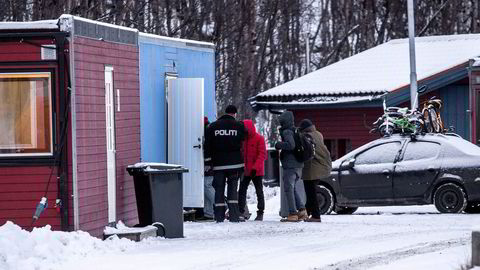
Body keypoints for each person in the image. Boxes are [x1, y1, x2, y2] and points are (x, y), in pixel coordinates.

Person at [205, 105, 246, 222]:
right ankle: (234, 216)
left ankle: (219, 216)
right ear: (235, 114)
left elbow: (207, 145)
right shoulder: (239, 126)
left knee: (219, 189)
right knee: (233, 189)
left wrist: (208, 161)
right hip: (235, 164)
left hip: (219, 164)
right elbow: (243, 140)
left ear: (225, 112)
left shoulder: (212, 126)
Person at [275, 111, 307, 222]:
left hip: (290, 164)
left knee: (288, 189)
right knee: (292, 188)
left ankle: (293, 214)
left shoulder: (287, 131)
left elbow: (291, 145)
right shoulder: (295, 130)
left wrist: (278, 145)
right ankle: (302, 210)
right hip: (298, 164)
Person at [298, 119, 332, 222]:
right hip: (321, 165)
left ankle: (316, 216)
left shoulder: (307, 137)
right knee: (310, 192)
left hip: (313, 167)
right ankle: (307, 213)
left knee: (311, 193)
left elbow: (307, 153)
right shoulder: (318, 134)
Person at [238, 119, 267, 221]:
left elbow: (262, 154)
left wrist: (255, 168)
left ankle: (260, 212)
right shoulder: (242, 139)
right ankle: (241, 211)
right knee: (241, 191)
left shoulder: (259, 138)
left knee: (259, 191)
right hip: (245, 171)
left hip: (257, 171)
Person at [197, 116, 215, 221]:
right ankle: (209, 213)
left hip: (209, 162)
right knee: (206, 185)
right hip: (208, 161)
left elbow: (208, 147)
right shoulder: (209, 128)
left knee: (206, 185)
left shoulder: (207, 131)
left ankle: (221, 204)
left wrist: (208, 161)